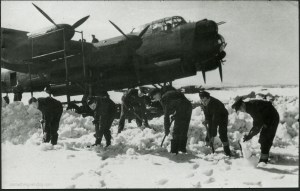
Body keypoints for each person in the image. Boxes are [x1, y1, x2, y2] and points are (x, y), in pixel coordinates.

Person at [232, 97, 279, 164]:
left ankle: (263, 161)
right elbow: (258, 122)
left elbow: (258, 125)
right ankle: (264, 156)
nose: (241, 110)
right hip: (267, 119)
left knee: (265, 139)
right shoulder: (249, 106)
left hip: (272, 118)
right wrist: (250, 135)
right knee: (263, 139)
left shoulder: (252, 107)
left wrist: (250, 135)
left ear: (242, 104)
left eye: (240, 108)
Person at [149, 88, 192, 154]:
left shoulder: (164, 98)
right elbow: (176, 103)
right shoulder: (166, 94)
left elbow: (166, 115)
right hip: (188, 107)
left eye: (154, 96)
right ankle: (182, 148)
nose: (154, 98)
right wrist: (176, 114)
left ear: (158, 93)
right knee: (184, 128)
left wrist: (166, 129)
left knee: (176, 130)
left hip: (183, 109)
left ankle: (174, 151)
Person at [199, 90, 231, 156]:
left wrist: (213, 134)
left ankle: (227, 151)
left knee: (222, 133)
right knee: (209, 132)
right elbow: (206, 113)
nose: (204, 102)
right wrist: (207, 120)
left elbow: (215, 119)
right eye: (202, 101)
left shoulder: (215, 104)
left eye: (205, 100)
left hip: (222, 117)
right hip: (212, 116)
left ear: (209, 98)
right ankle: (208, 149)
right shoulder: (203, 103)